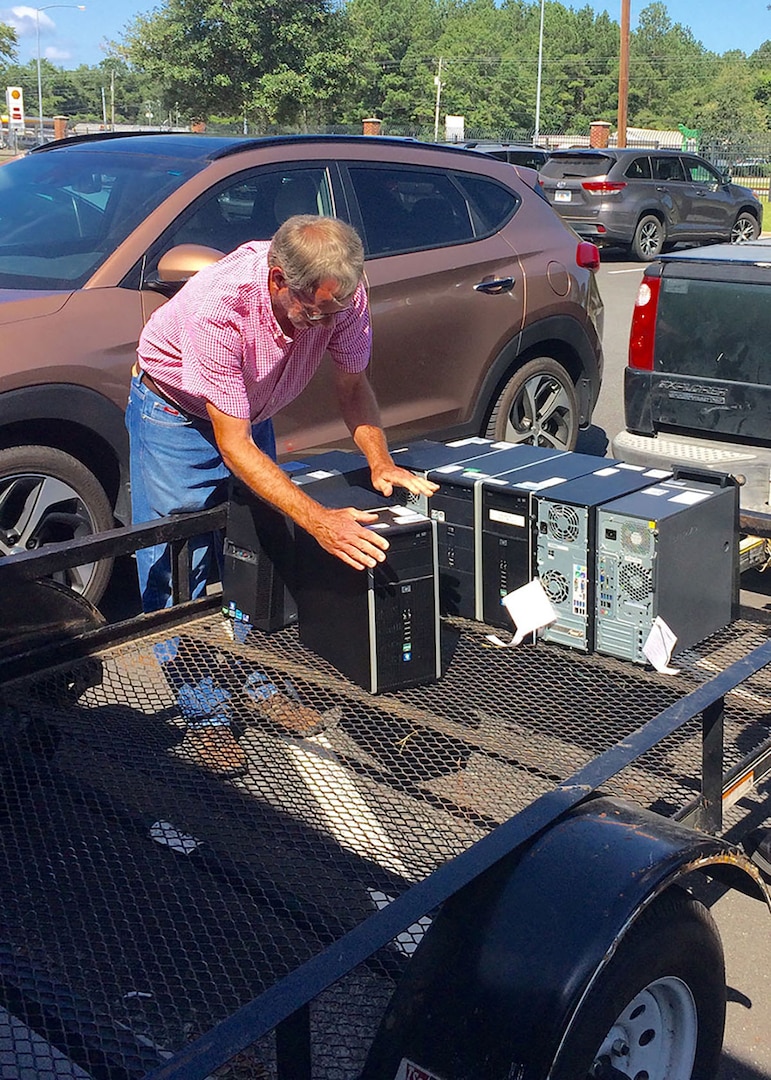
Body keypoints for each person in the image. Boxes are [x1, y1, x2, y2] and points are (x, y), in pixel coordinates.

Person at [126, 215, 437, 773]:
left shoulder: (342, 295)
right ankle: (205, 713)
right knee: (180, 565)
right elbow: (235, 444)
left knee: (256, 556)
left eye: (333, 310)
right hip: (176, 415)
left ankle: (256, 680)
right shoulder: (221, 307)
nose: (322, 320)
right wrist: (321, 522)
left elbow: (351, 383)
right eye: (312, 310)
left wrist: (381, 461)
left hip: (250, 411)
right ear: (276, 280)